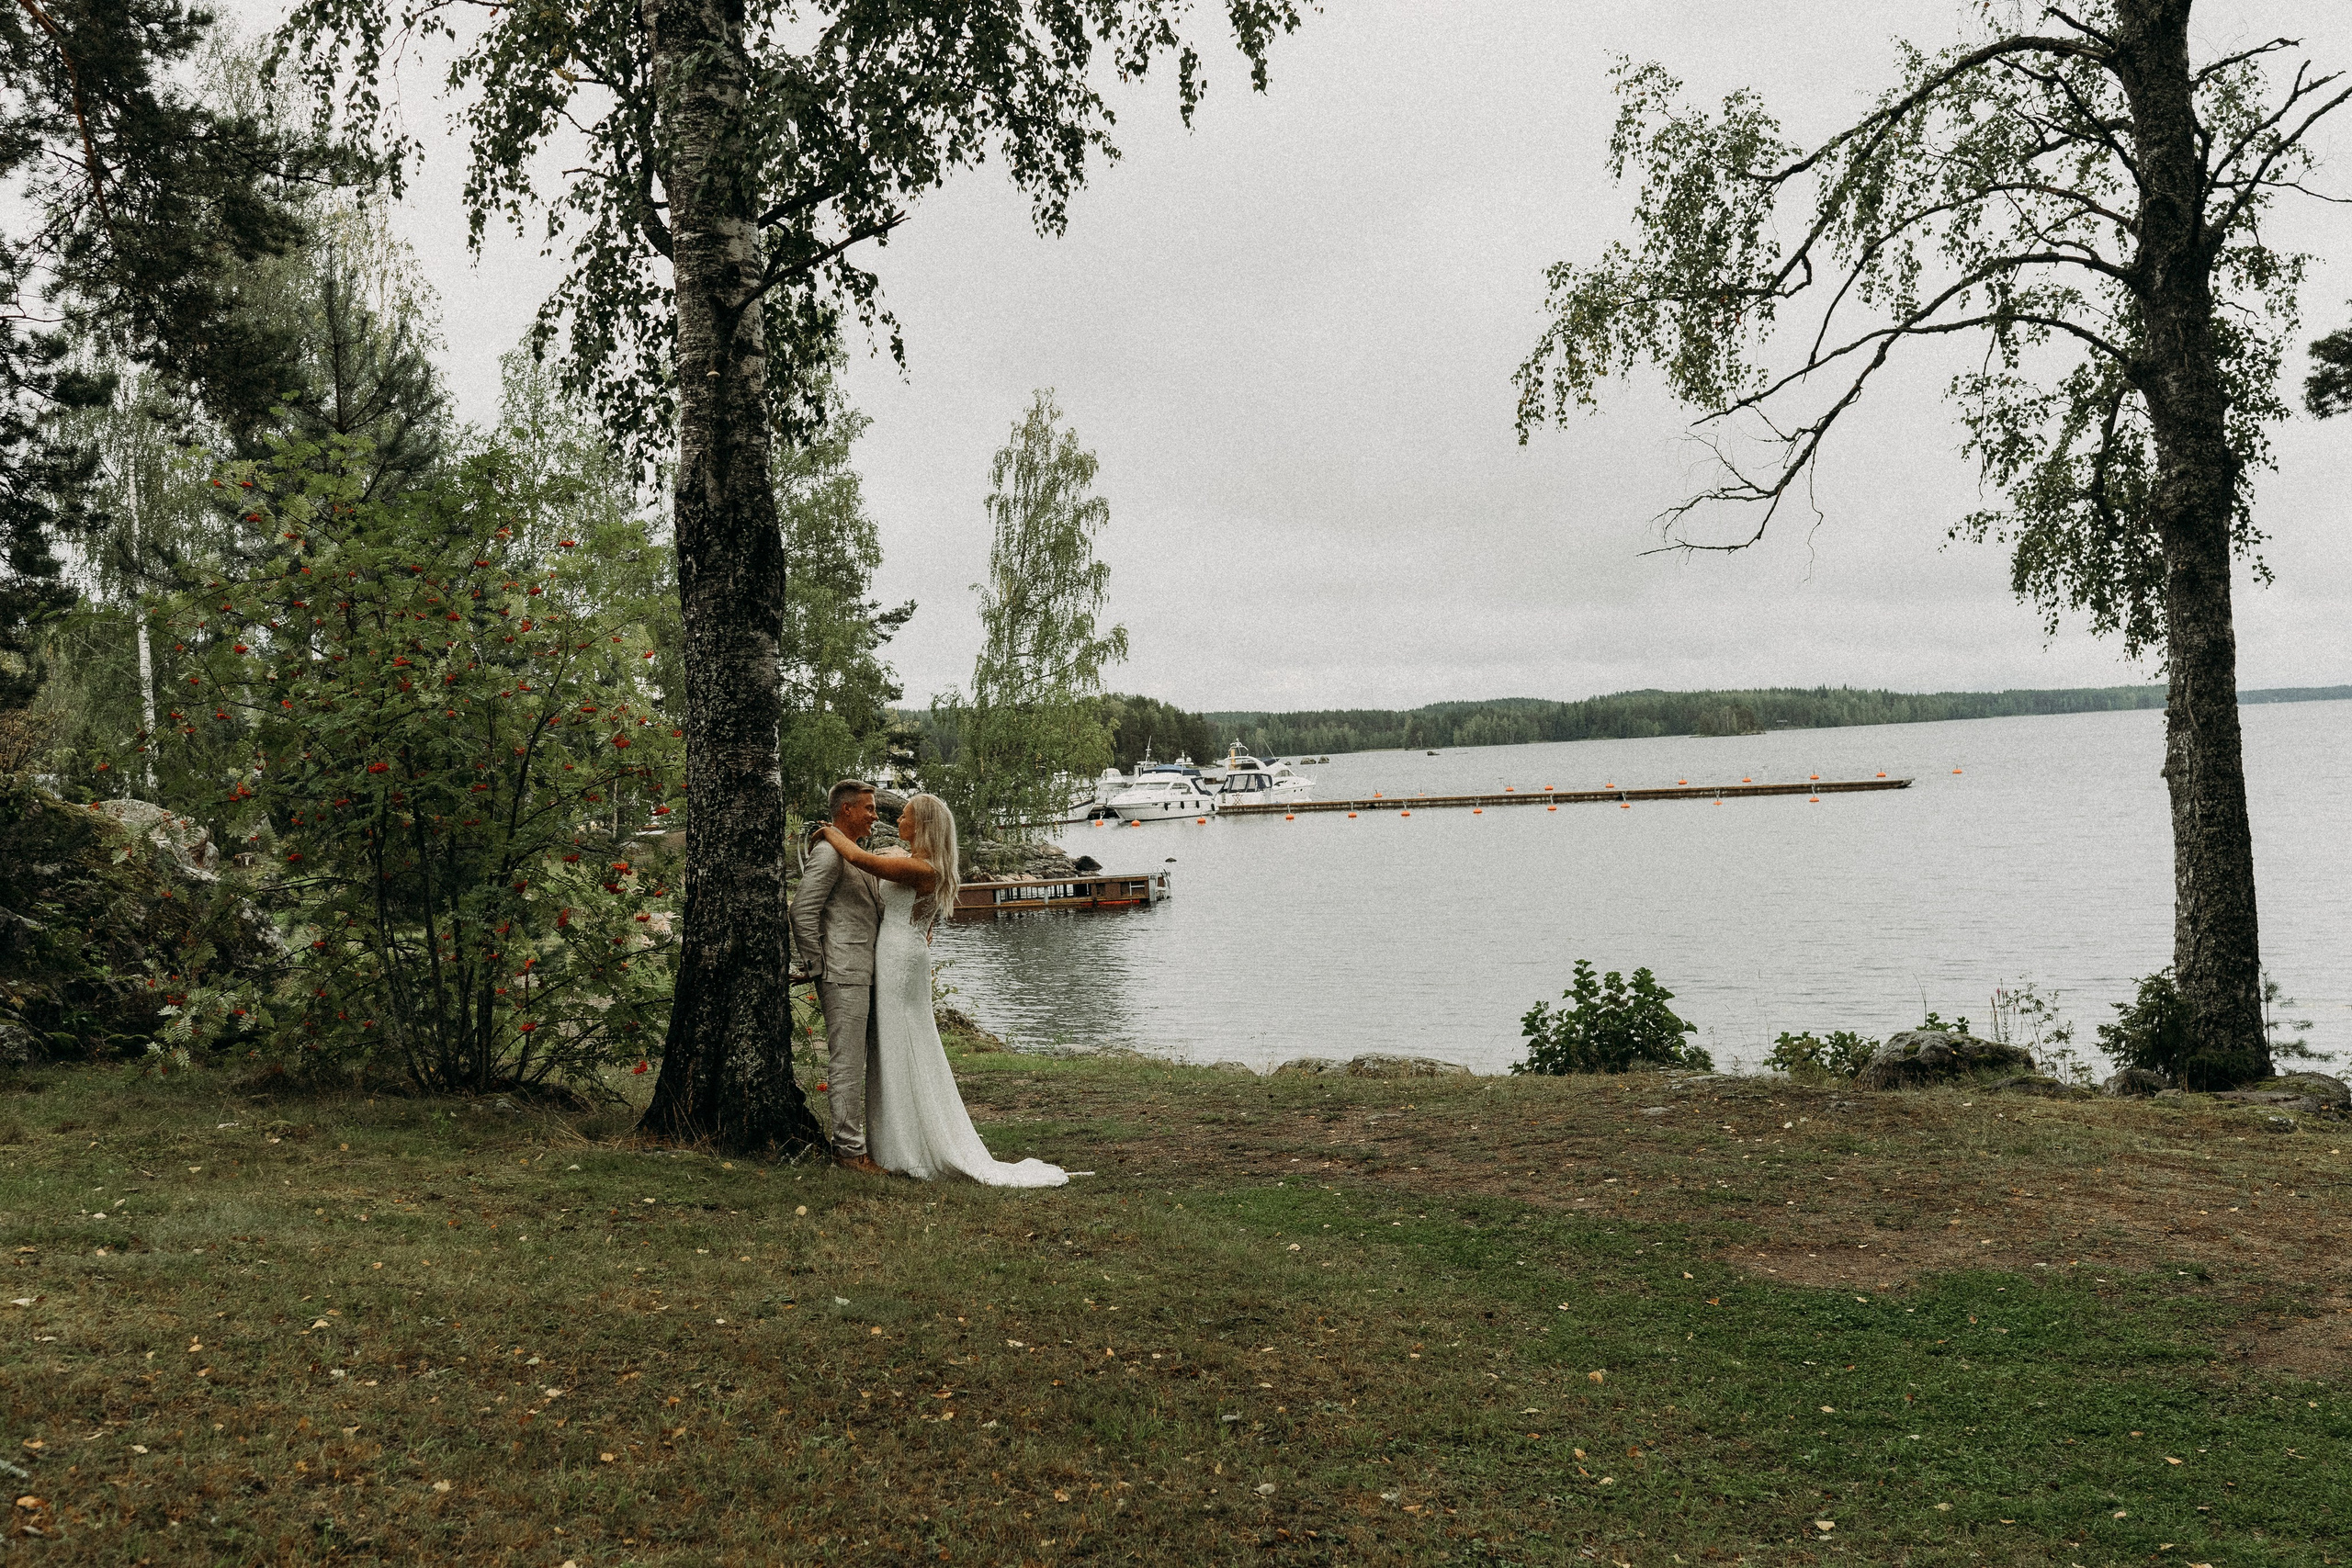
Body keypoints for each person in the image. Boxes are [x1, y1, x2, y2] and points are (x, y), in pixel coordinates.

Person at [818, 795, 1068, 1187]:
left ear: (921, 826)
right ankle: (895, 1141)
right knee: (895, 1042)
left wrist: (829, 833)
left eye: (904, 816)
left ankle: (907, 1145)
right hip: (901, 951)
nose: (897, 819)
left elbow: (861, 860)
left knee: (902, 1041)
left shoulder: (920, 867)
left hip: (899, 959)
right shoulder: (921, 863)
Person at [789, 779, 888, 1175]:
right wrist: (816, 966)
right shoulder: (829, 853)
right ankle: (848, 1151)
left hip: (863, 969)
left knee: (867, 1061)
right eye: (868, 808)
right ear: (846, 810)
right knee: (846, 1063)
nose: (875, 815)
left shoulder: (853, 853)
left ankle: (869, 1142)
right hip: (841, 972)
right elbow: (801, 912)